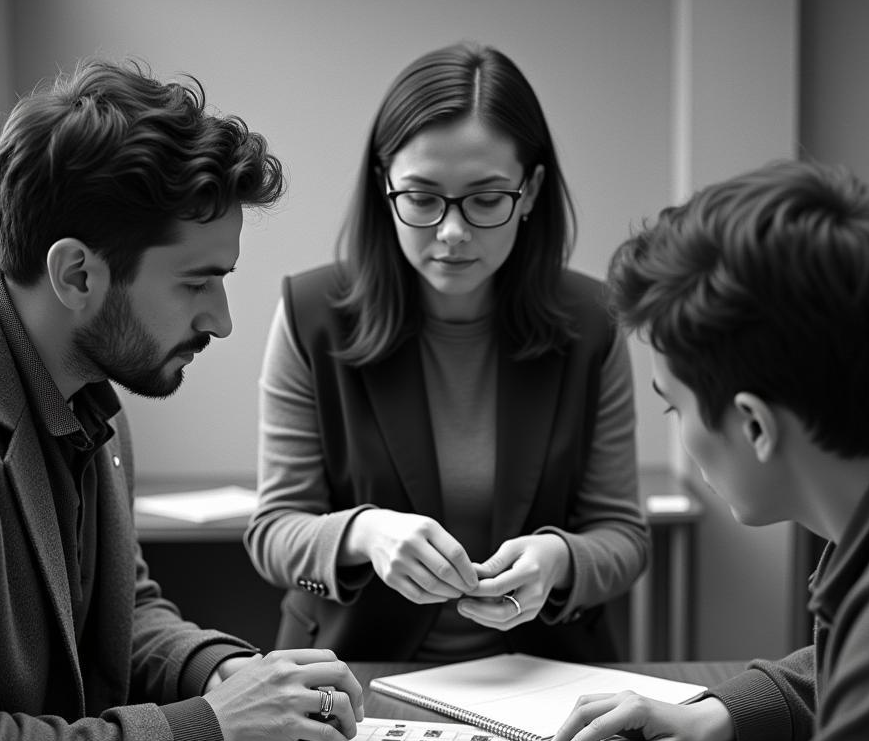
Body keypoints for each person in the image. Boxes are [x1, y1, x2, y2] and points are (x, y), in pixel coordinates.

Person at [0, 59, 363, 741]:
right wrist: (204, 728)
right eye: (197, 282)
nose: (225, 319)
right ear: (77, 273)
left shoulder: (85, 384)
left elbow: (127, 607)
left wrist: (223, 673)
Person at [546, 159, 869, 741]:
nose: (680, 437)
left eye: (675, 406)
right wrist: (720, 714)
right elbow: (865, 671)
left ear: (755, 426)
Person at [244, 41, 649, 663]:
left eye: (487, 200)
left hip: (545, 680)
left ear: (532, 191)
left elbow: (623, 536)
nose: (452, 233)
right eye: (423, 198)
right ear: (385, 188)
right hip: (355, 674)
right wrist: (365, 533)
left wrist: (560, 559)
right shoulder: (312, 314)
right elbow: (273, 531)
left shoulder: (591, 322)